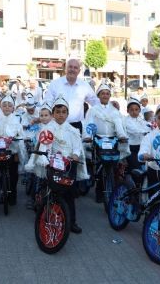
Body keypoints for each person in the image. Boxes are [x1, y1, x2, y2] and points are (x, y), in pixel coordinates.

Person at [41, 96, 88, 233]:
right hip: (53, 164)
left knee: (69, 195)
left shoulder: (73, 130)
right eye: (57, 112)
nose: (60, 115)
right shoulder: (47, 129)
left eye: (63, 112)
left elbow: (77, 147)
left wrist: (75, 155)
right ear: (53, 113)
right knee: (49, 191)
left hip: (68, 165)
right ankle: (46, 216)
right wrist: (46, 160)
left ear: (67, 114)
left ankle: (71, 222)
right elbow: (44, 147)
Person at [83, 84, 128, 203]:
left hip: (112, 139)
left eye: (107, 93)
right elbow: (89, 124)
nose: (105, 95)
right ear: (98, 96)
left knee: (113, 165)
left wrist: (122, 136)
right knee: (98, 165)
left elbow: (119, 124)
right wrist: (88, 137)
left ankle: (112, 191)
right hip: (98, 139)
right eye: (102, 93)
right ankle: (99, 192)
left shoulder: (114, 111)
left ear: (110, 96)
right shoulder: (93, 110)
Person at [45, 58, 99, 133]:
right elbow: (47, 103)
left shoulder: (84, 85)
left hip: (77, 127)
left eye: (75, 67)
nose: (72, 69)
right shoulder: (55, 84)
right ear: (65, 69)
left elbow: (95, 101)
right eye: (70, 67)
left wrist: (109, 106)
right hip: (58, 126)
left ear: (79, 71)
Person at [0, 95, 27, 205]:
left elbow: (21, 136)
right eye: (4, 105)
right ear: (1, 107)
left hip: (12, 152)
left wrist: (15, 141)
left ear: (13, 108)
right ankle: (3, 192)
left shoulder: (16, 121)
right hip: (0, 151)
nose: (7, 108)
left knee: (13, 175)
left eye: (9, 105)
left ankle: (12, 195)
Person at [124, 98, 151, 172]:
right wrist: (147, 130)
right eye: (131, 110)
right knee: (135, 168)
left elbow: (147, 126)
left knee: (145, 167)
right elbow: (135, 130)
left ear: (139, 110)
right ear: (127, 111)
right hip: (131, 148)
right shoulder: (126, 120)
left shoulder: (140, 119)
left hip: (142, 146)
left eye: (136, 109)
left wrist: (152, 127)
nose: (134, 112)